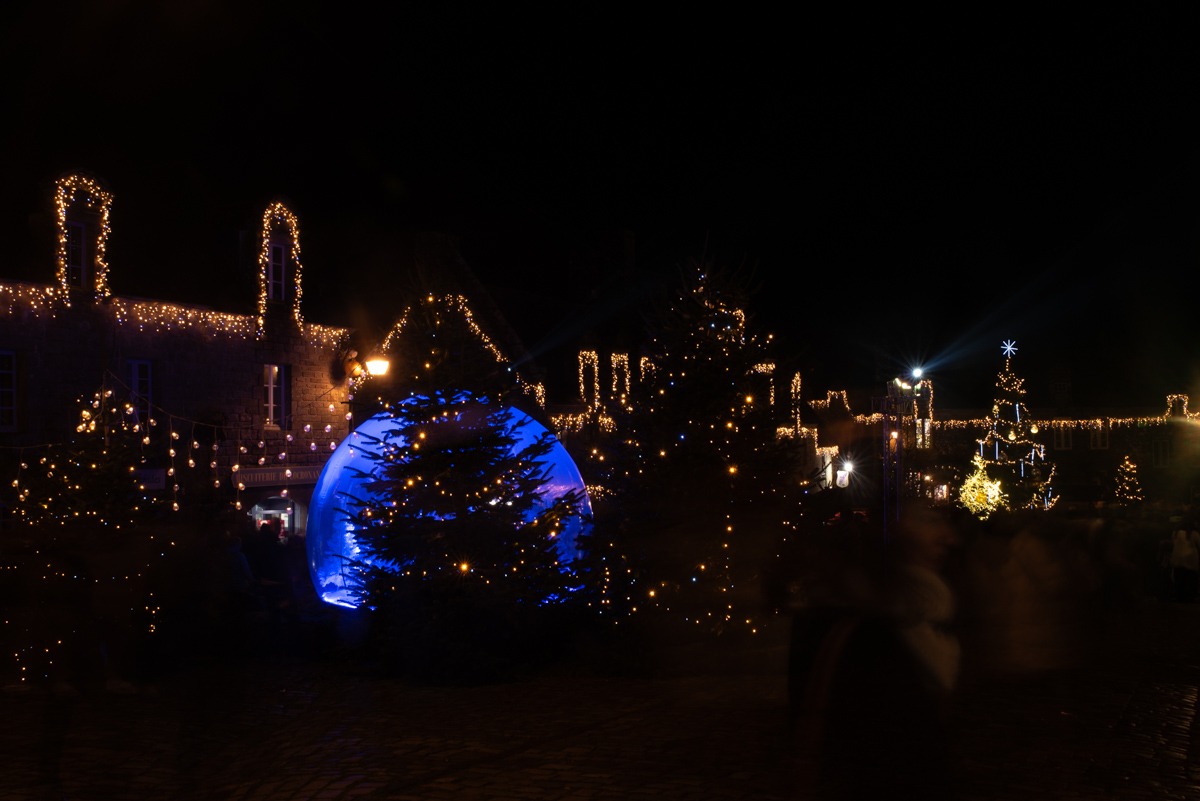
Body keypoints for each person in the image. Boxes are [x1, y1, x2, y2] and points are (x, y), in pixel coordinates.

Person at [789, 502, 962, 800]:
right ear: (892, 530)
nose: (950, 537)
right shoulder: (868, 628)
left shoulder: (917, 616)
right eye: (930, 520)